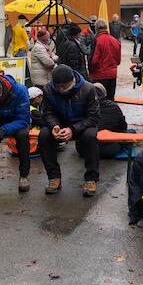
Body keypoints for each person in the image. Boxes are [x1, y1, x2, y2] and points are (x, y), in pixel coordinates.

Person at [39, 65, 100, 197]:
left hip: (82, 125)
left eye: (64, 86)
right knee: (44, 135)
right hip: (60, 125)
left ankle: (91, 178)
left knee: (90, 136)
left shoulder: (88, 89)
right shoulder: (49, 89)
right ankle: (53, 177)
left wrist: (73, 129)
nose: (61, 90)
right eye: (58, 86)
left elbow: (93, 117)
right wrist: (54, 125)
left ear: (72, 81)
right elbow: (48, 113)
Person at [91, 82, 129, 158]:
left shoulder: (83, 106)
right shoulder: (113, 106)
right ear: (104, 94)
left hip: (84, 150)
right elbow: (123, 126)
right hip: (109, 149)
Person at [89, 19, 122, 100]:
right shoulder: (115, 40)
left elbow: (94, 60)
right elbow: (118, 61)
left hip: (99, 74)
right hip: (112, 74)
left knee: (99, 99)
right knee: (110, 98)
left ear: (96, 28)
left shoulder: (97, 40)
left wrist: (90, 71)